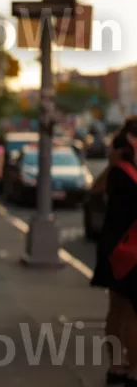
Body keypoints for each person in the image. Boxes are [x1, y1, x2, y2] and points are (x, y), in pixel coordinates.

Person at [91, 118, 137, 387]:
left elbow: (95, 192)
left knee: (117, 308)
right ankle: (132, 369)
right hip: (129, 248)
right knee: (130, 309)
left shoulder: (117, 170)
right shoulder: (127, 173)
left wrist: (110, 164)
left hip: (113, 245)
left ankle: (116, 367)